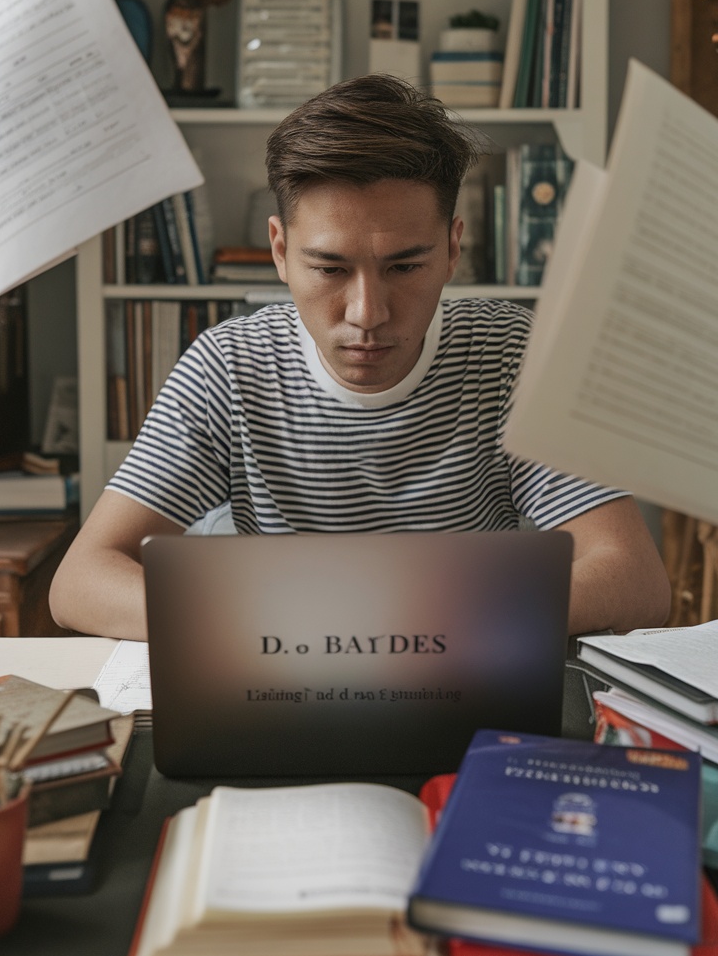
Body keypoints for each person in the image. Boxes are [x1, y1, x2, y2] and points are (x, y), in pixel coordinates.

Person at [49, 75, 671, 641]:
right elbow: (81, 581)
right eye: (328, 268)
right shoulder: (230, 367)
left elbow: (636, 581)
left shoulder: (516, 355)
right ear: (279, 250)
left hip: (467, 694)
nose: (366, 313)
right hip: (281, 691)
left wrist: (397, 624)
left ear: (454, 249)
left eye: (405, 266)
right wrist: (294, 624)